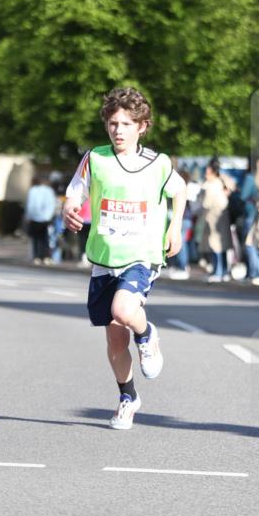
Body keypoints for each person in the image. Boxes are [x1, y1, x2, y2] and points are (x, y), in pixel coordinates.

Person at [63, 87, 186, 431]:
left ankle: (147, 335)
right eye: (113, 123)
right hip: (105, 257)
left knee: (123, 311)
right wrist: (69, 211)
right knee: (115, 340)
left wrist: (174, 227)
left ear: (142, 126)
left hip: (142, 256)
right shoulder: (95, 158)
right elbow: (75, 192)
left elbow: (180, 191)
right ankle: (128, 397)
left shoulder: (157, 163)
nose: (118, 130)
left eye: (127, 124)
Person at [25, 174, 57, 264]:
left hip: (34, 217)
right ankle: (46, 256)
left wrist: (28, 216)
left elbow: (30, 205)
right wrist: (50, 216)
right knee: (45, 238)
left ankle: (36, 256)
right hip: (46, 218)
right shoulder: (49, 190)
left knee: (36, 238)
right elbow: (52, 204)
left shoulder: (33, 190)